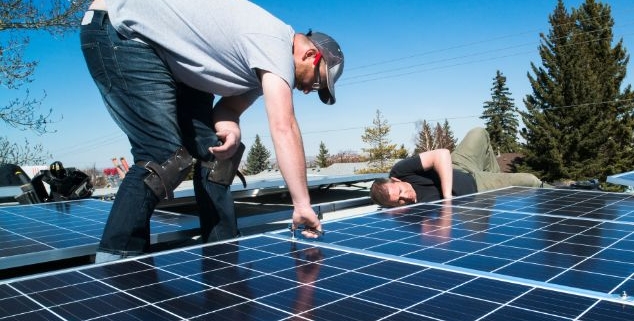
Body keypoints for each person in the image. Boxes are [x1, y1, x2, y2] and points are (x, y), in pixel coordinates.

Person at [81, 0, 343, 262]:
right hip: (122, 31)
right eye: (317, 82)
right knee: (162, 156)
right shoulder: (276, 44)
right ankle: (115, 268)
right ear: (310, 55)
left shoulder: (260, 66)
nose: (308, 90)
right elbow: (283, 126)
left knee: (216, 156)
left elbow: (227, 112)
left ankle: (222, 253)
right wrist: (302, 204)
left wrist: (231, 130)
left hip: (172, 59)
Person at [371, 127, 547, 207]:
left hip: (458, 164)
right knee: (529, 181)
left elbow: (441, 154)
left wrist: (447, 197)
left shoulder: (399, 171)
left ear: (395, 180)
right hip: (476, 186)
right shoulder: (410, 215)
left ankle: (495, 178)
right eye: (399, 201)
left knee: (479, 133)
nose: (406, 197)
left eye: (401, 191)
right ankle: (563, 193)